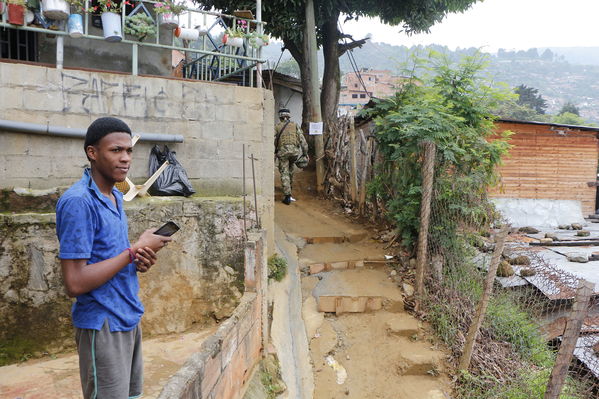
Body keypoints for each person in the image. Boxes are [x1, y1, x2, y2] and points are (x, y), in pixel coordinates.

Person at [56, 117, 172, 399]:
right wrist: (132, 251)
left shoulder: (115, 197)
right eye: (115, 150)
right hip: (102, 324)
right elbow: (75, 282)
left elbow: (111, 258)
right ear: (92, 153)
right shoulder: (78, 202)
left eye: (129, 151)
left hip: (128, 316)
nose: (125, 158)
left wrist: (138, 259)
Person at [274, 108, 308, 205]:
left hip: (283, 153)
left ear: (280, 116)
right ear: (288, 116)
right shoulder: (295, 125)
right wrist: (305, 153)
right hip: (294, 153)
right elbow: (303, 141)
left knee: (284, 173)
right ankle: (290, 192)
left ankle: (287, 196)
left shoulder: (277, 126)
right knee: (290, 171)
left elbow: (270, 137)